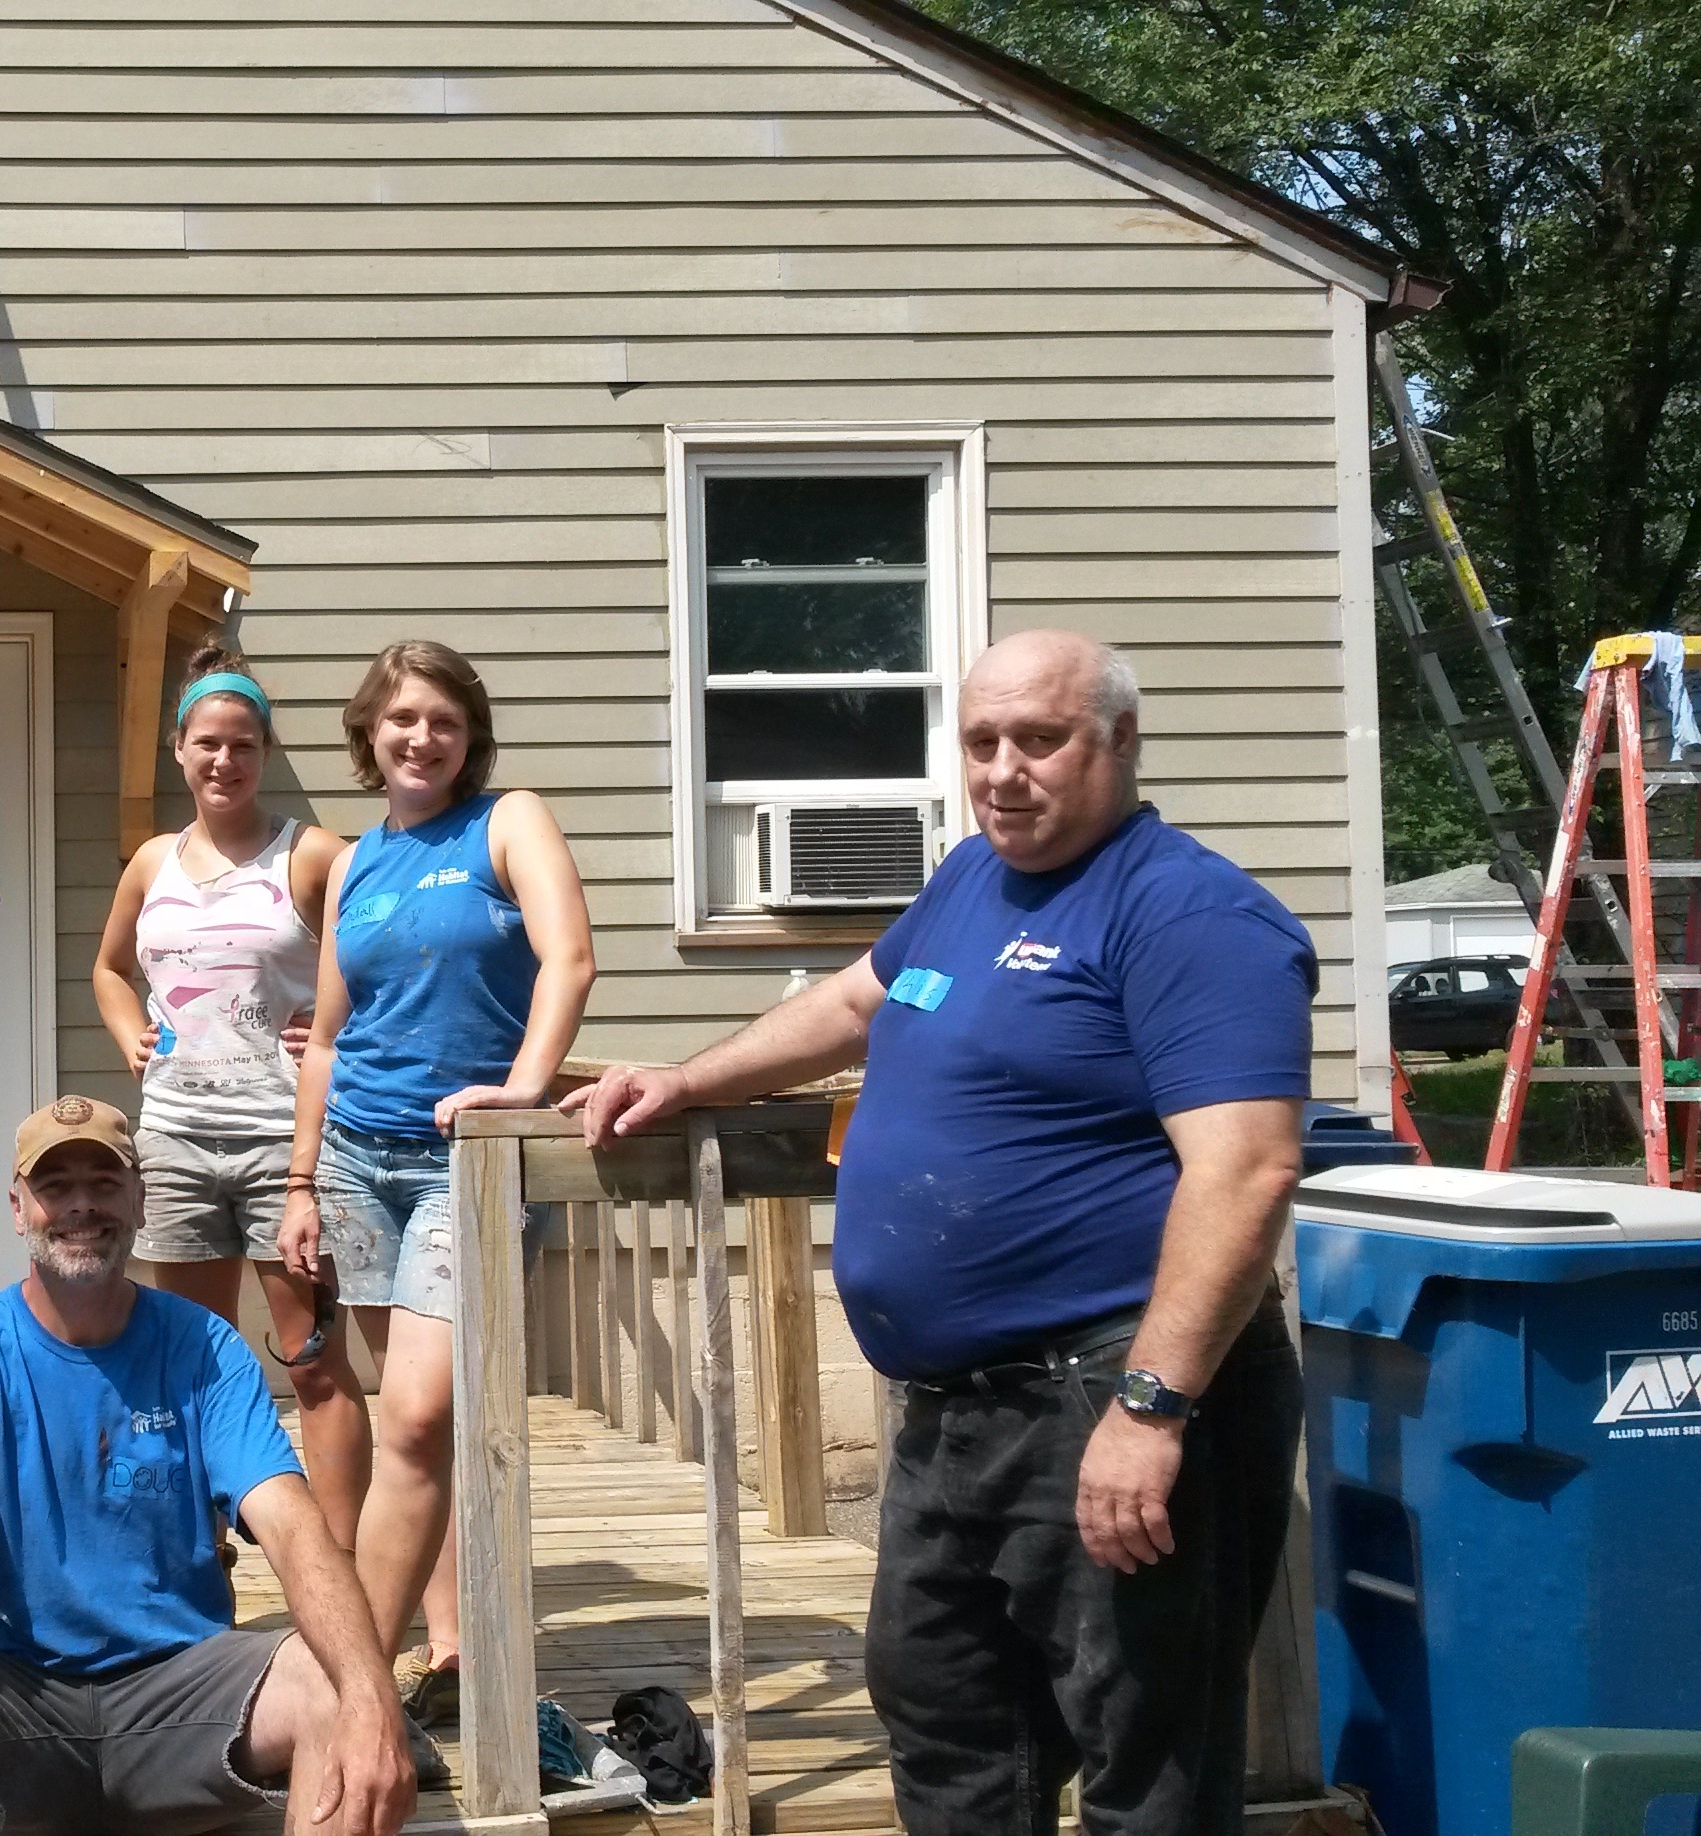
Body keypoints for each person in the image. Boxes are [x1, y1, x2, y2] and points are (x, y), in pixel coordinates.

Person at [559, 630, 1314, 1833]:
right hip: (953, 1409)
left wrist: (1151, 1408)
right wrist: (692, 1080)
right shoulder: (974, 879)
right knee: (947, 1724)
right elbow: (856, 1000)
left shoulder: (1190, 913)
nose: (1006, 770)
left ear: (1120, 741)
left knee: (1146, 1758)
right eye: (982, 742)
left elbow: (1249, 1168)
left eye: (1042, 739)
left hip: (1104, 1393)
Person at [0, 1096, 415, 1836]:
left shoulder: (206, 1348)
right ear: (18, 1209)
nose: (82, 1206)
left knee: (337, 1691)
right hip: (13, 1693)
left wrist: (374, 1699)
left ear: (141, 1198)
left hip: (181, 1686)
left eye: (105, 1182)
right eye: (55, 1187)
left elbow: (294, 1529)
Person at [276, 640, 595, 1727]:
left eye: (443, 722)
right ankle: (445, 1649)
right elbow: (327, 1036)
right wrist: (302, 1180)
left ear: (470, 738)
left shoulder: (510, 821)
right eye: (401, 719)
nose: (421, 738)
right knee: (415, 1424)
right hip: (360, 1160)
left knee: (417, 1418)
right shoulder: (356, 862)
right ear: (369, 732)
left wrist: (520, 1094)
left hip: (467, 1161)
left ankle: (348, 1676)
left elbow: (570, 961)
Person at [88, 645, 362, 1546]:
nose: (223, 761)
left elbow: (383, 962)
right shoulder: (151, 864)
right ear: (179, 749)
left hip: (287, 1147)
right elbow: (109, 967)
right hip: (174, 1142)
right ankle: (199, 1548)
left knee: (311, 1361)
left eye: (242, 745)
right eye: (207, 743)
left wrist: (333, 1029)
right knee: (193, 1361)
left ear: (264, 751)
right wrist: (127, 1025)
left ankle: (343, 1559)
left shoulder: (311, 855)